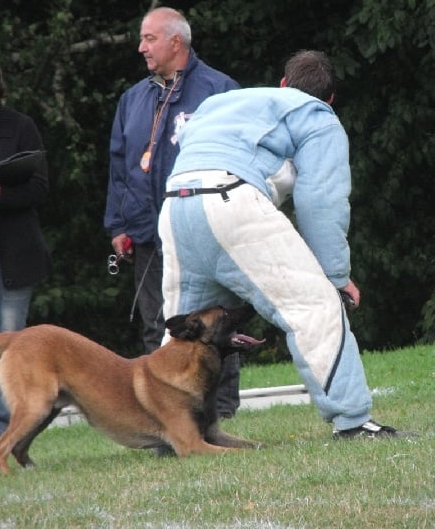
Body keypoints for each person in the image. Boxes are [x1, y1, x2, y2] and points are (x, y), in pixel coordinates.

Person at [159, 49, 413, 439]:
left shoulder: (221, 102)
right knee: (315, 306)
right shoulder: (318, 115)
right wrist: (335, 276)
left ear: (282, 84)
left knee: (183, 329)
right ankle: (353, 422)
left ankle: (167, 429)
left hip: (174, 206)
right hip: (230, 200)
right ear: (330, 99)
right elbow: (321, 200)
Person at [104, 7, 241, 418]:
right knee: (156, 323)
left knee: (214, 323)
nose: (141, 47)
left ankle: (220, 410)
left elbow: (239, 156)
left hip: (203, 228)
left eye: (149, 38)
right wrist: (118, 224)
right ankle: (166, 413)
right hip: (147, 233)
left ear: (175, 41)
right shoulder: (133, 99)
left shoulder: (219, 90)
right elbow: (119, 167)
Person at [0, 60, 52, 442]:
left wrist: (0, 193)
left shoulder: (20, 126)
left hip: (14, 249)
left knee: (9, 337)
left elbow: (40, 188)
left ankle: (1, 428)